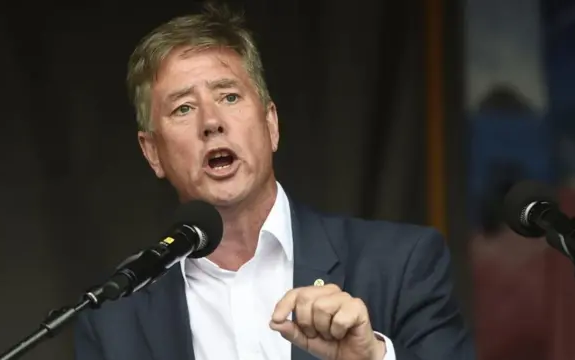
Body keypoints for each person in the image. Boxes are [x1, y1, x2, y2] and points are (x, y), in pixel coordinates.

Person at [73, 3, 474, 360]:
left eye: (229, 96)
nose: (211, 122)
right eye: (183, 108)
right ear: (153, 152)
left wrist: (371, 358)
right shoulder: (113, 315)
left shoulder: (400, 262)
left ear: (271, 124)